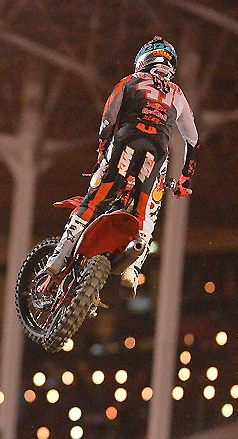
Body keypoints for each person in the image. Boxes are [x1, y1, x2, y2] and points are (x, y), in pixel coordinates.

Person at [45, 36, 199, 297]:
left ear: (144, 60)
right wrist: (185, 178)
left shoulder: (129, 81)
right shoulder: (178, 94)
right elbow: (192, 139)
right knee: (148, 210)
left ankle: (60, 254)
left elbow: (108, 119)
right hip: (158, 152)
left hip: (125, 140)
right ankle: (133, 269)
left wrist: (102, 149)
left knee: (96, 196)